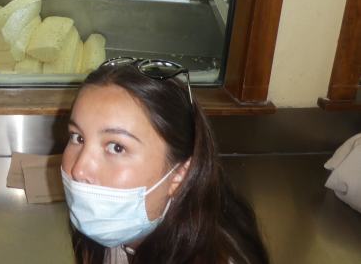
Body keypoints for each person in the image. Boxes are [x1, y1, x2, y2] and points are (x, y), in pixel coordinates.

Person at [62, 58, 269, 264]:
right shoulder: (106, 233)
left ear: (179, 173)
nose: (79, 170)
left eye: (117, 147)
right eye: (77, 138)